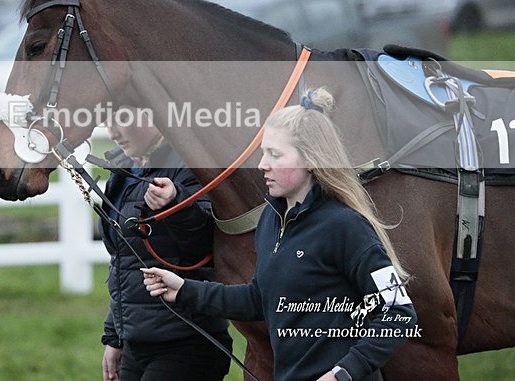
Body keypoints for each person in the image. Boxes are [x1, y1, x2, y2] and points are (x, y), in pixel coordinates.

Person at [142, 88, 417, 381]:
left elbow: (399, 312)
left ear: (311, 159)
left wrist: (345, 372)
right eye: (263, 153)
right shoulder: (271, 223)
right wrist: (184, 289)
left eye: (274, 154)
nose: (262, 164)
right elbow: (259, 299)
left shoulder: (346, 227)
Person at [100, 105, 232, 381]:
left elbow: (205, 245)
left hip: (187, 341)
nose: (112, 132)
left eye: (121, 119)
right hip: (137, 343)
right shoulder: (125, 168)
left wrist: (178, 205)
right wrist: (115, 336)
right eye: (106, 121)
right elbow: (125, 260)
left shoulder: (191, 163)